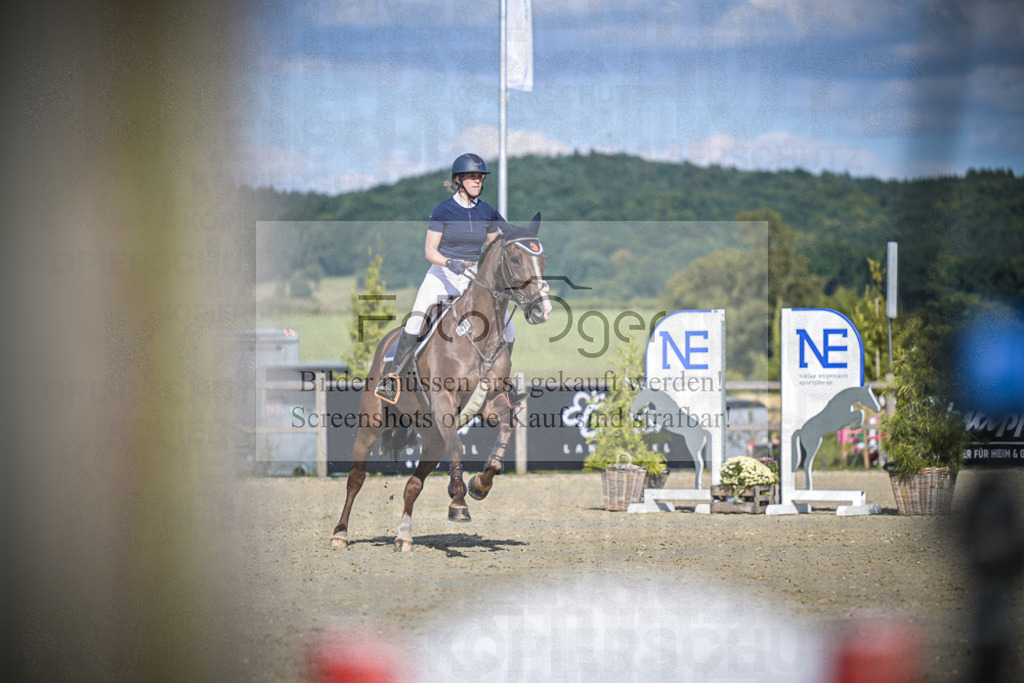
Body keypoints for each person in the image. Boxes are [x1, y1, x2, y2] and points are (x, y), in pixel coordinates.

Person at [375, 153, 521, 402]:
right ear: (458, 180)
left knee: (509, 327)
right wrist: (449, 262)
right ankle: (393, 378)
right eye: (472, 177)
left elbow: (493, 248)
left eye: (480, 177)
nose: (478, 181)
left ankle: (503, 383)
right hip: (442, 274)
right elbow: (430, 250)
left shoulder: (487, 211)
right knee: (416, 320)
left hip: (473, 278)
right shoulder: (443, 210)